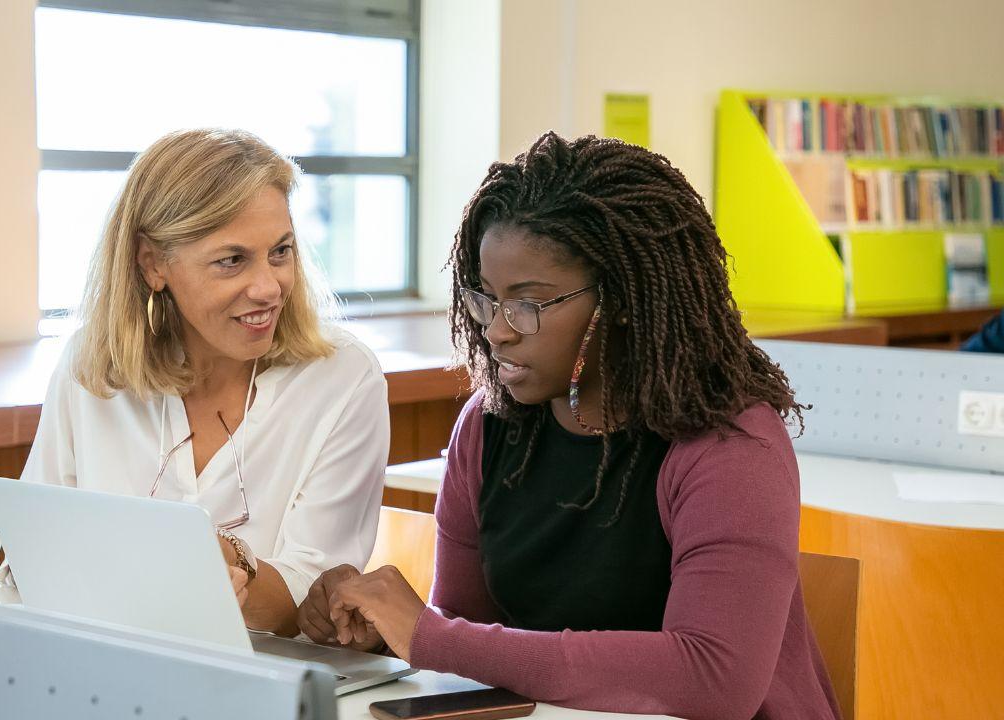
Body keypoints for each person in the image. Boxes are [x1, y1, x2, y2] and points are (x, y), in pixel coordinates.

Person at [298, 133, 841, 719]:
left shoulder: (729, 442)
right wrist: (382, 630)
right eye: (486, 300)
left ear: (624, 298)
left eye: (528, 303)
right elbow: (472, 639)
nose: (498, 331)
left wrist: (431, 637)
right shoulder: (487, 427)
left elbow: (714, 680)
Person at [0, 128, 389, 636]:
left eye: (281, 251)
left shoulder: (343, 378)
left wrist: (234, 570)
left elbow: (314, 603)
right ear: (153, 263)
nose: (269, 287)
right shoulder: (93, 366)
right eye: (232, 260)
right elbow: (21, 547)